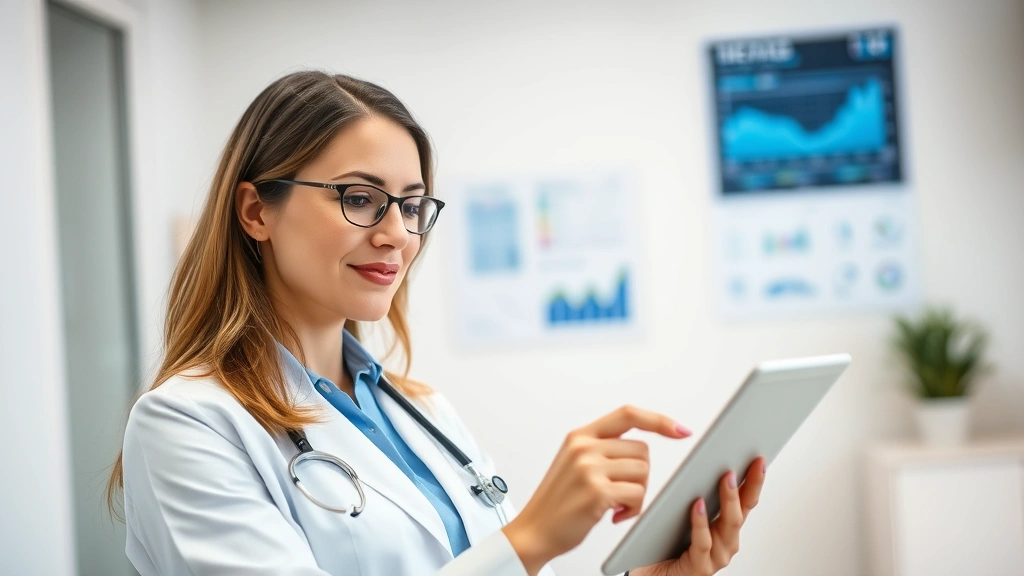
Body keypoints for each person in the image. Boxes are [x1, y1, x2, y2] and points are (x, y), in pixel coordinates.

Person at [108, 70, 766, 576]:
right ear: (256, 212)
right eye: (361, 199)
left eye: (414, 205)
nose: (398, 234)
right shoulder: (187, 424)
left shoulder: (422, 413)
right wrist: (529, 540)